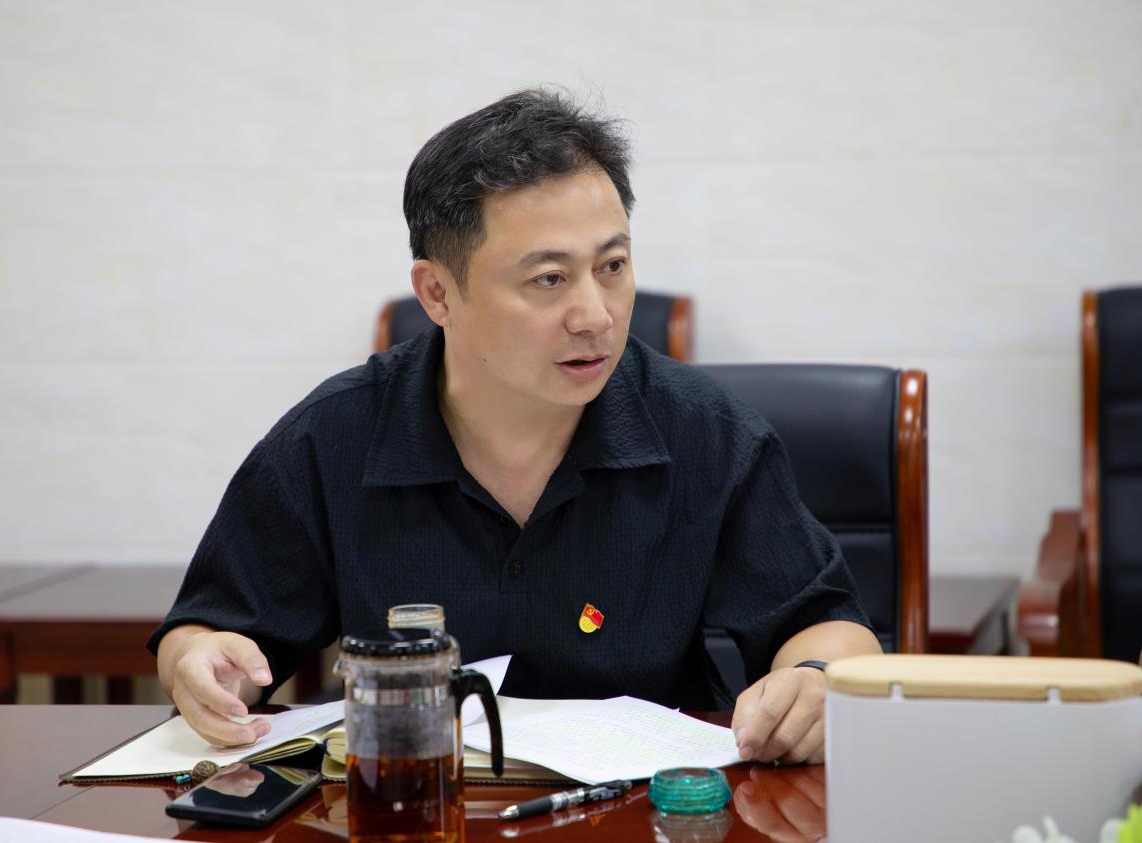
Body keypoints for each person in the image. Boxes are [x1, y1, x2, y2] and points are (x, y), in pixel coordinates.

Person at [151, 88, 882, 765]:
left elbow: (829, 626)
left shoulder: (706, 433)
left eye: (613, 266)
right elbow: (208, 631)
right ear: (438, 292)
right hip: (415, 807)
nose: (594, 316)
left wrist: (817, 678)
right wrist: (201, 666)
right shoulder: (332, 437)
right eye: (548, 279)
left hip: (643, 812)